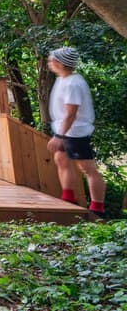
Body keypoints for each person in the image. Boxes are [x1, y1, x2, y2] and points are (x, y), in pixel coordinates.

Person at [46, 47, 106, 217]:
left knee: (87, 168)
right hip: (65, 130)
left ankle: (97, 208)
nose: (49, 62)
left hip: (75, 131)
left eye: (52, 60)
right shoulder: (63, 79)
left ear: (61, 63)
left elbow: (71, 113)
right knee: (61, 160)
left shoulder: (73, 84)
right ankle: (68, 200)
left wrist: (59, 136)